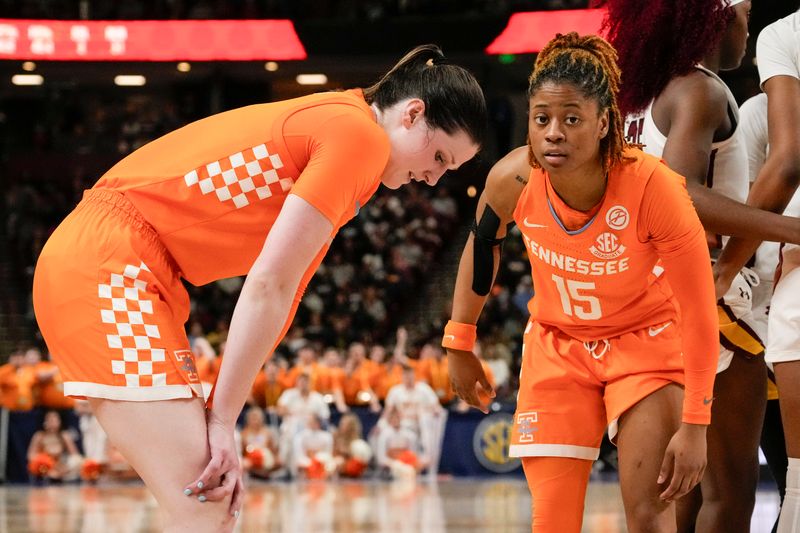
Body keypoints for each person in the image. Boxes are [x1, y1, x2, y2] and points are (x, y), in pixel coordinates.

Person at [32, 44, 487, 531]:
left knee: (211, 510)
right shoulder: (359, 136)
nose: (436, 178)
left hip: (132, 269)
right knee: (206, 506)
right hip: (110, 264)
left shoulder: (347, 132)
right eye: (439, 156)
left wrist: (224, 414)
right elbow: (269, 283)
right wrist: (222, 420)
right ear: (412, 113)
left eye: (450, 170)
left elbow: (286, 294)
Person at [445, 32, 718, 532]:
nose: (553, 133)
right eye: (541, 118)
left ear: (603, 122)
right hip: (558, 346)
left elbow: (699, 309)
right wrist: (459, 339)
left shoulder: (655, 189)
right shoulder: (513, 179)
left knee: (647, 512)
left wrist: (696, 422)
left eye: (572, 119)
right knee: (551, 521)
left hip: (646, 344)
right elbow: (481, 244)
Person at [603, 1, 783, 529]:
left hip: (643, 298)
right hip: (707, 299)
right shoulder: (699, 89)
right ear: (714, 18)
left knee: (686, 488)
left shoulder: (639, 94)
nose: (749, 30)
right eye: (744, 16)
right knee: (729, 494)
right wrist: (789, 228)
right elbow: (679, 193)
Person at [714, 9, 800, 532]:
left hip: (785, 317)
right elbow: (738, 208)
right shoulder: (755, 116)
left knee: (793, 491)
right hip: (764, 324)